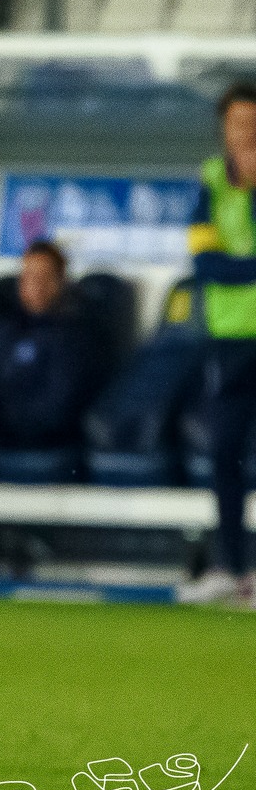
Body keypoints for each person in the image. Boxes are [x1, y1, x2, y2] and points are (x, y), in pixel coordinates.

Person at [184, 82, 256, 607]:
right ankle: (232, 568)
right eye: (236, 124)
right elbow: (205, 264)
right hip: (229, 341)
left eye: (252, 123)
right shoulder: (209, 183)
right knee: (224, 453)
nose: (245, 133)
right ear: (223, 129)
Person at [0, 240, 92, 465]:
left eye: (45, 277)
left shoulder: (75, 336)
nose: (36, 285)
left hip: (38, 437)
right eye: (29, 277)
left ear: (62, 282)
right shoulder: (4, 329)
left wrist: (3, 420)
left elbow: (58, 409)